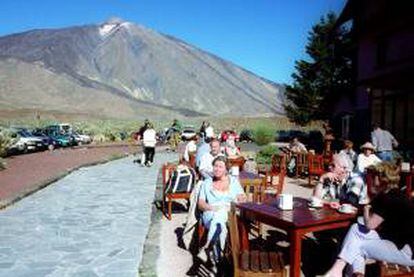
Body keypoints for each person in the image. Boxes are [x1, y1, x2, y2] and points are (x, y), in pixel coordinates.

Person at [325, 162, 414, 277]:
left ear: (382, 179)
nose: (369, 179)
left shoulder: (389, 199)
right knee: (356, 229)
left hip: (407, 251)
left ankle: (339, 272)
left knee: (357, 246)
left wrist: (366, 211)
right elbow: (370, 208)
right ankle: (338, 271)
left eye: (372, 176)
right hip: (396, 241)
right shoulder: (391, 194)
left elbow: (370, 225)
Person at [197, 155, 246, 262]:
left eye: (220, 167)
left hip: (229, 213)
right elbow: (200, 204)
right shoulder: (207, 183)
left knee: (220, 221)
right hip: (210, 213)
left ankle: (212, 251)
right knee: (219, 217)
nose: (217, 169)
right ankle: (220, 256)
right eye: (215, 166)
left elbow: (242, 198)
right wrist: (213, 207)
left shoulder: (233, 181)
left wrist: (239, 199)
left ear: (226, 169)